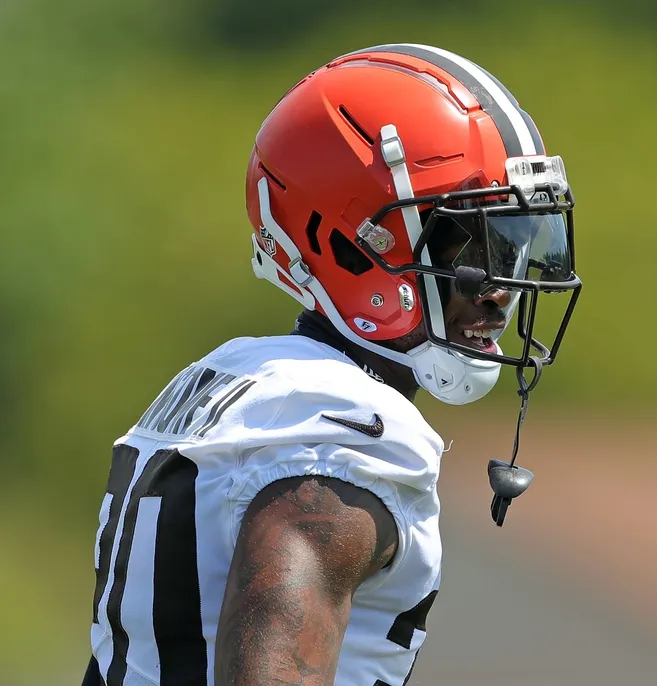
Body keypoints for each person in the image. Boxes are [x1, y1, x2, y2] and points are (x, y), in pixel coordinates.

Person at [83, 43, 582, 686]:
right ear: (349, 242)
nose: (499, 289)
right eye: (470, 244)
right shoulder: (346, 428)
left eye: (513, 247)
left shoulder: (230, 378)